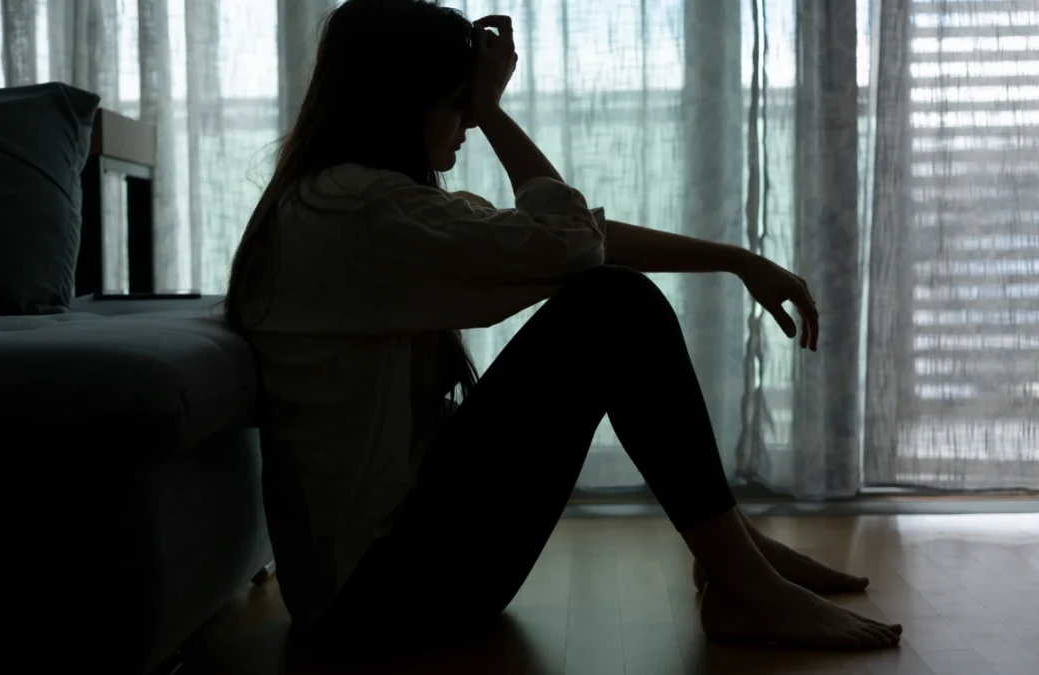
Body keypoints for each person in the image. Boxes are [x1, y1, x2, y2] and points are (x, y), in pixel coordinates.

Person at [224, 0, 903, 656]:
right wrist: (495, 114)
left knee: (609, 300)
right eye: (458, 101)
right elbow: (572, 243)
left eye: (470, 103)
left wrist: (737, 261)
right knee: (613, 307)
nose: (463, 120)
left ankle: (734, 553)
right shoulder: (360, 213)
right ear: (407, 97)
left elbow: (571, 239)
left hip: (372, 580)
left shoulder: (348, 204)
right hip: (379, 598)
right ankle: (740, 575)